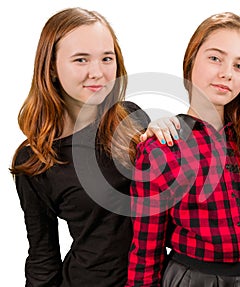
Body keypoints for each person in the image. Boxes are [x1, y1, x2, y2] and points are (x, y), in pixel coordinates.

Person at [10, 7, 178, 287]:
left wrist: (168, 141)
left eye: (106, 58)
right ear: (51, 67)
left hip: (155, 279)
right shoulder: (35, 159)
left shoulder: (132, 119)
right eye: (80, 59)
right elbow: (43, 256)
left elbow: (172, 212)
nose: (97, 72)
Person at [126, 12, 240, 287]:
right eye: (215, 58)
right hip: (192, 279)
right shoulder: (163, 148)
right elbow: (145, 251)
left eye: (239, 66)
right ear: (191, 60)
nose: (226, 73)